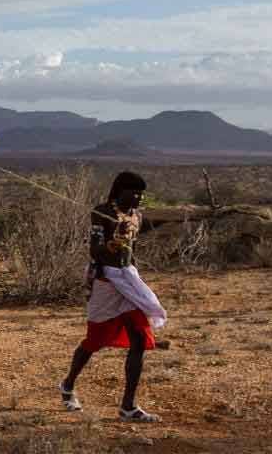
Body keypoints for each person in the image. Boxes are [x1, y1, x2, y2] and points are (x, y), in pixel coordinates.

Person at [59, 171, 167, 422]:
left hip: (128, 280)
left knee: (139, 338)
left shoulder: (136, 216)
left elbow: (132, 252)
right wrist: (114, 241)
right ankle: (67, 385)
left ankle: (128, 406)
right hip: (106, 282)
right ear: (120, 191)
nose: (138, 197)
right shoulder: (101, 212)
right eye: (134, 192)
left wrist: (135, 276)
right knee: (94, 341)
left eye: (142, 193)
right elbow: (95, 251)